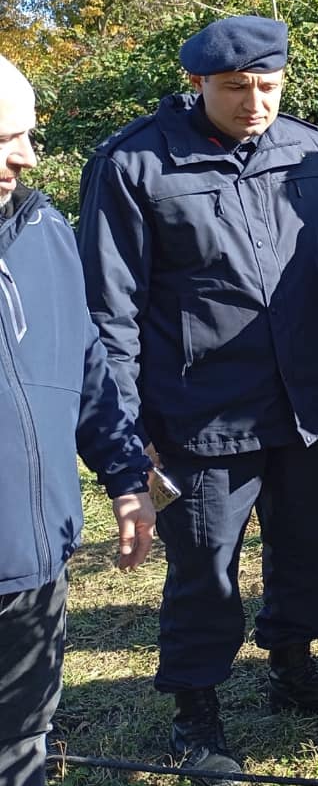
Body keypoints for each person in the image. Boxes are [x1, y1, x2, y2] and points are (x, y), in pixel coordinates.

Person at [77, 16, 318, 781]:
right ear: (198, 82)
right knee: (205, 569)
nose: (254, 103)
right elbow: (110, 308)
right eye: (237, 88)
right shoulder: (134, 162)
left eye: (268, 87)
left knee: (304, 550)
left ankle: (293, 669)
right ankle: (195, 713)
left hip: (301, 400)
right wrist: (123, 427)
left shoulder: (309, 150)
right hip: (198, 410)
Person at [0, 54, 156, 786]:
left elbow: (87, 367)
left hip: (35, 562)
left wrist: (126, 478)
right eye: (2, 139)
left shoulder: (45, 230)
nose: (25, 155)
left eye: (26, 134)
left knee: (23, 743)